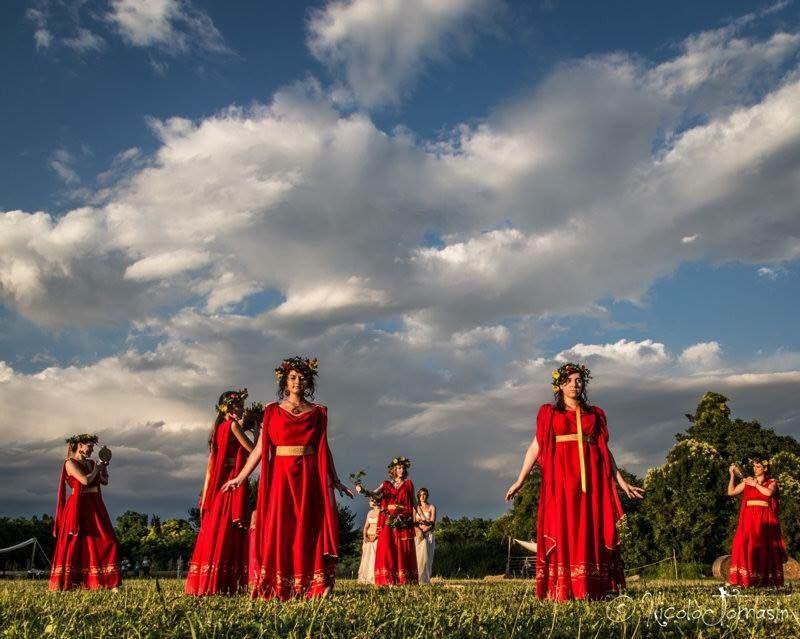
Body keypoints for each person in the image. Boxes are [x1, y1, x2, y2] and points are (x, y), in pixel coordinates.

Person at [505, 363, 643, 601]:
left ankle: (593, 586)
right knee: (564, 528)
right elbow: (536, 447)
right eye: (569, 380)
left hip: (591, 483)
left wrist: (622, 482)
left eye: (579, 380)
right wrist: (520, 480)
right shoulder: (550, 413)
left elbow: (604, 450)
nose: (574, 384)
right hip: (561, 483)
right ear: (559, 385)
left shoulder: (594, 414)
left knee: (591, 529)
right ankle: (565, 587)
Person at [222, 357, 353, 600]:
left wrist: (334, 479)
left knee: (307, 527)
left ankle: (311, 586)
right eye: (292, 377)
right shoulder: (271, 410)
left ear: (308, 382)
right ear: (285, 381)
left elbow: (324, 447)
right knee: (281, 528)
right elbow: (261, 448)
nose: (297, 382)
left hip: (308, 476)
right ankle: (279, 585)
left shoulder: (318, 412)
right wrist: (240, 477)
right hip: (281, 477)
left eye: (302, 378)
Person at [185, 390, 255, 595]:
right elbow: (253, 450)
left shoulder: (217, 429)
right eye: (240, 405)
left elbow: (211, 465)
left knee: (217, 533)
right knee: (228, 533)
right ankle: (224, 583)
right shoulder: (232, 426)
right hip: (231, 485)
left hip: (219, 488)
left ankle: (212, 582)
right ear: (231, 408)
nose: (242, 409)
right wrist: (258, 430)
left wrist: (205, 494)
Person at [49, 434, 121, 591]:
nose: (92, 449)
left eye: (93, 446)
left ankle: (109, 581)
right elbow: (84, 481)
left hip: (95, 505)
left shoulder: (91, 463)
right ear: (80, 445)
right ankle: (69, 583)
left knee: (108, 541)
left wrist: (104, 467)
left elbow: (104, 481)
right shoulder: (70, 463)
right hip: (78, 506)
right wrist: (97, 468)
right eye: (90, 446)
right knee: (76, 544)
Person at [727, 456, 788, 587]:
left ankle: (765, 580)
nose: (755, 469)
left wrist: (755, 484)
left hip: (764, 520)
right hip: (748, 520)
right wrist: (732, 475)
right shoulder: (748, 482)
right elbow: (731, 492)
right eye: (754, 466)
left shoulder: (772, 482)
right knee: (741, 544)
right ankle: (742, 580)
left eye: (758, 466)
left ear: (765, 468)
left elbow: (768, 493)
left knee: (764, 548)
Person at [370, 456, 418, 586]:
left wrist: (419, 515)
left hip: (403, 520)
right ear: (394, 470)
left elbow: (413, 500)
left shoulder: (408, 484)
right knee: (388, 548)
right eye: (398, 468)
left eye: (403, 468)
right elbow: (374, 493)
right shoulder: (386, 484)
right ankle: (388, 579)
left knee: (403, 549)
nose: (401, 470)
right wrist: (364, 491)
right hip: (389, 521)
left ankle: (403, 579)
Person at [414, 487, 436, 584]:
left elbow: (432, 523)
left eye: (424, 494)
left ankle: (425, 579)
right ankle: (416, 578)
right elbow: (413, 522)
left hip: (428, 535)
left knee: (427, 558)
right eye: (420, 494)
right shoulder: (415, 508)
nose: (422, 496)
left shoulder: (431, 507)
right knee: (417, 557)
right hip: (417, 535)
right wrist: (419, 531)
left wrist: (424, 531)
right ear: (418, 496)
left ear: (427, 496)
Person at [357, 497, 380, 584]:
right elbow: (366, 526)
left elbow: (381, 527)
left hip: (376, 538)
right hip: (368, 538)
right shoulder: (370, 513)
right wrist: (364, 536)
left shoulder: (381, 512)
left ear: (375, 501)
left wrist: (376, 536)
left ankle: (373, 577)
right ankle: (365, 577)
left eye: (370, 500)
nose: (369, 502)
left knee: (374, 558)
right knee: (366, 558)